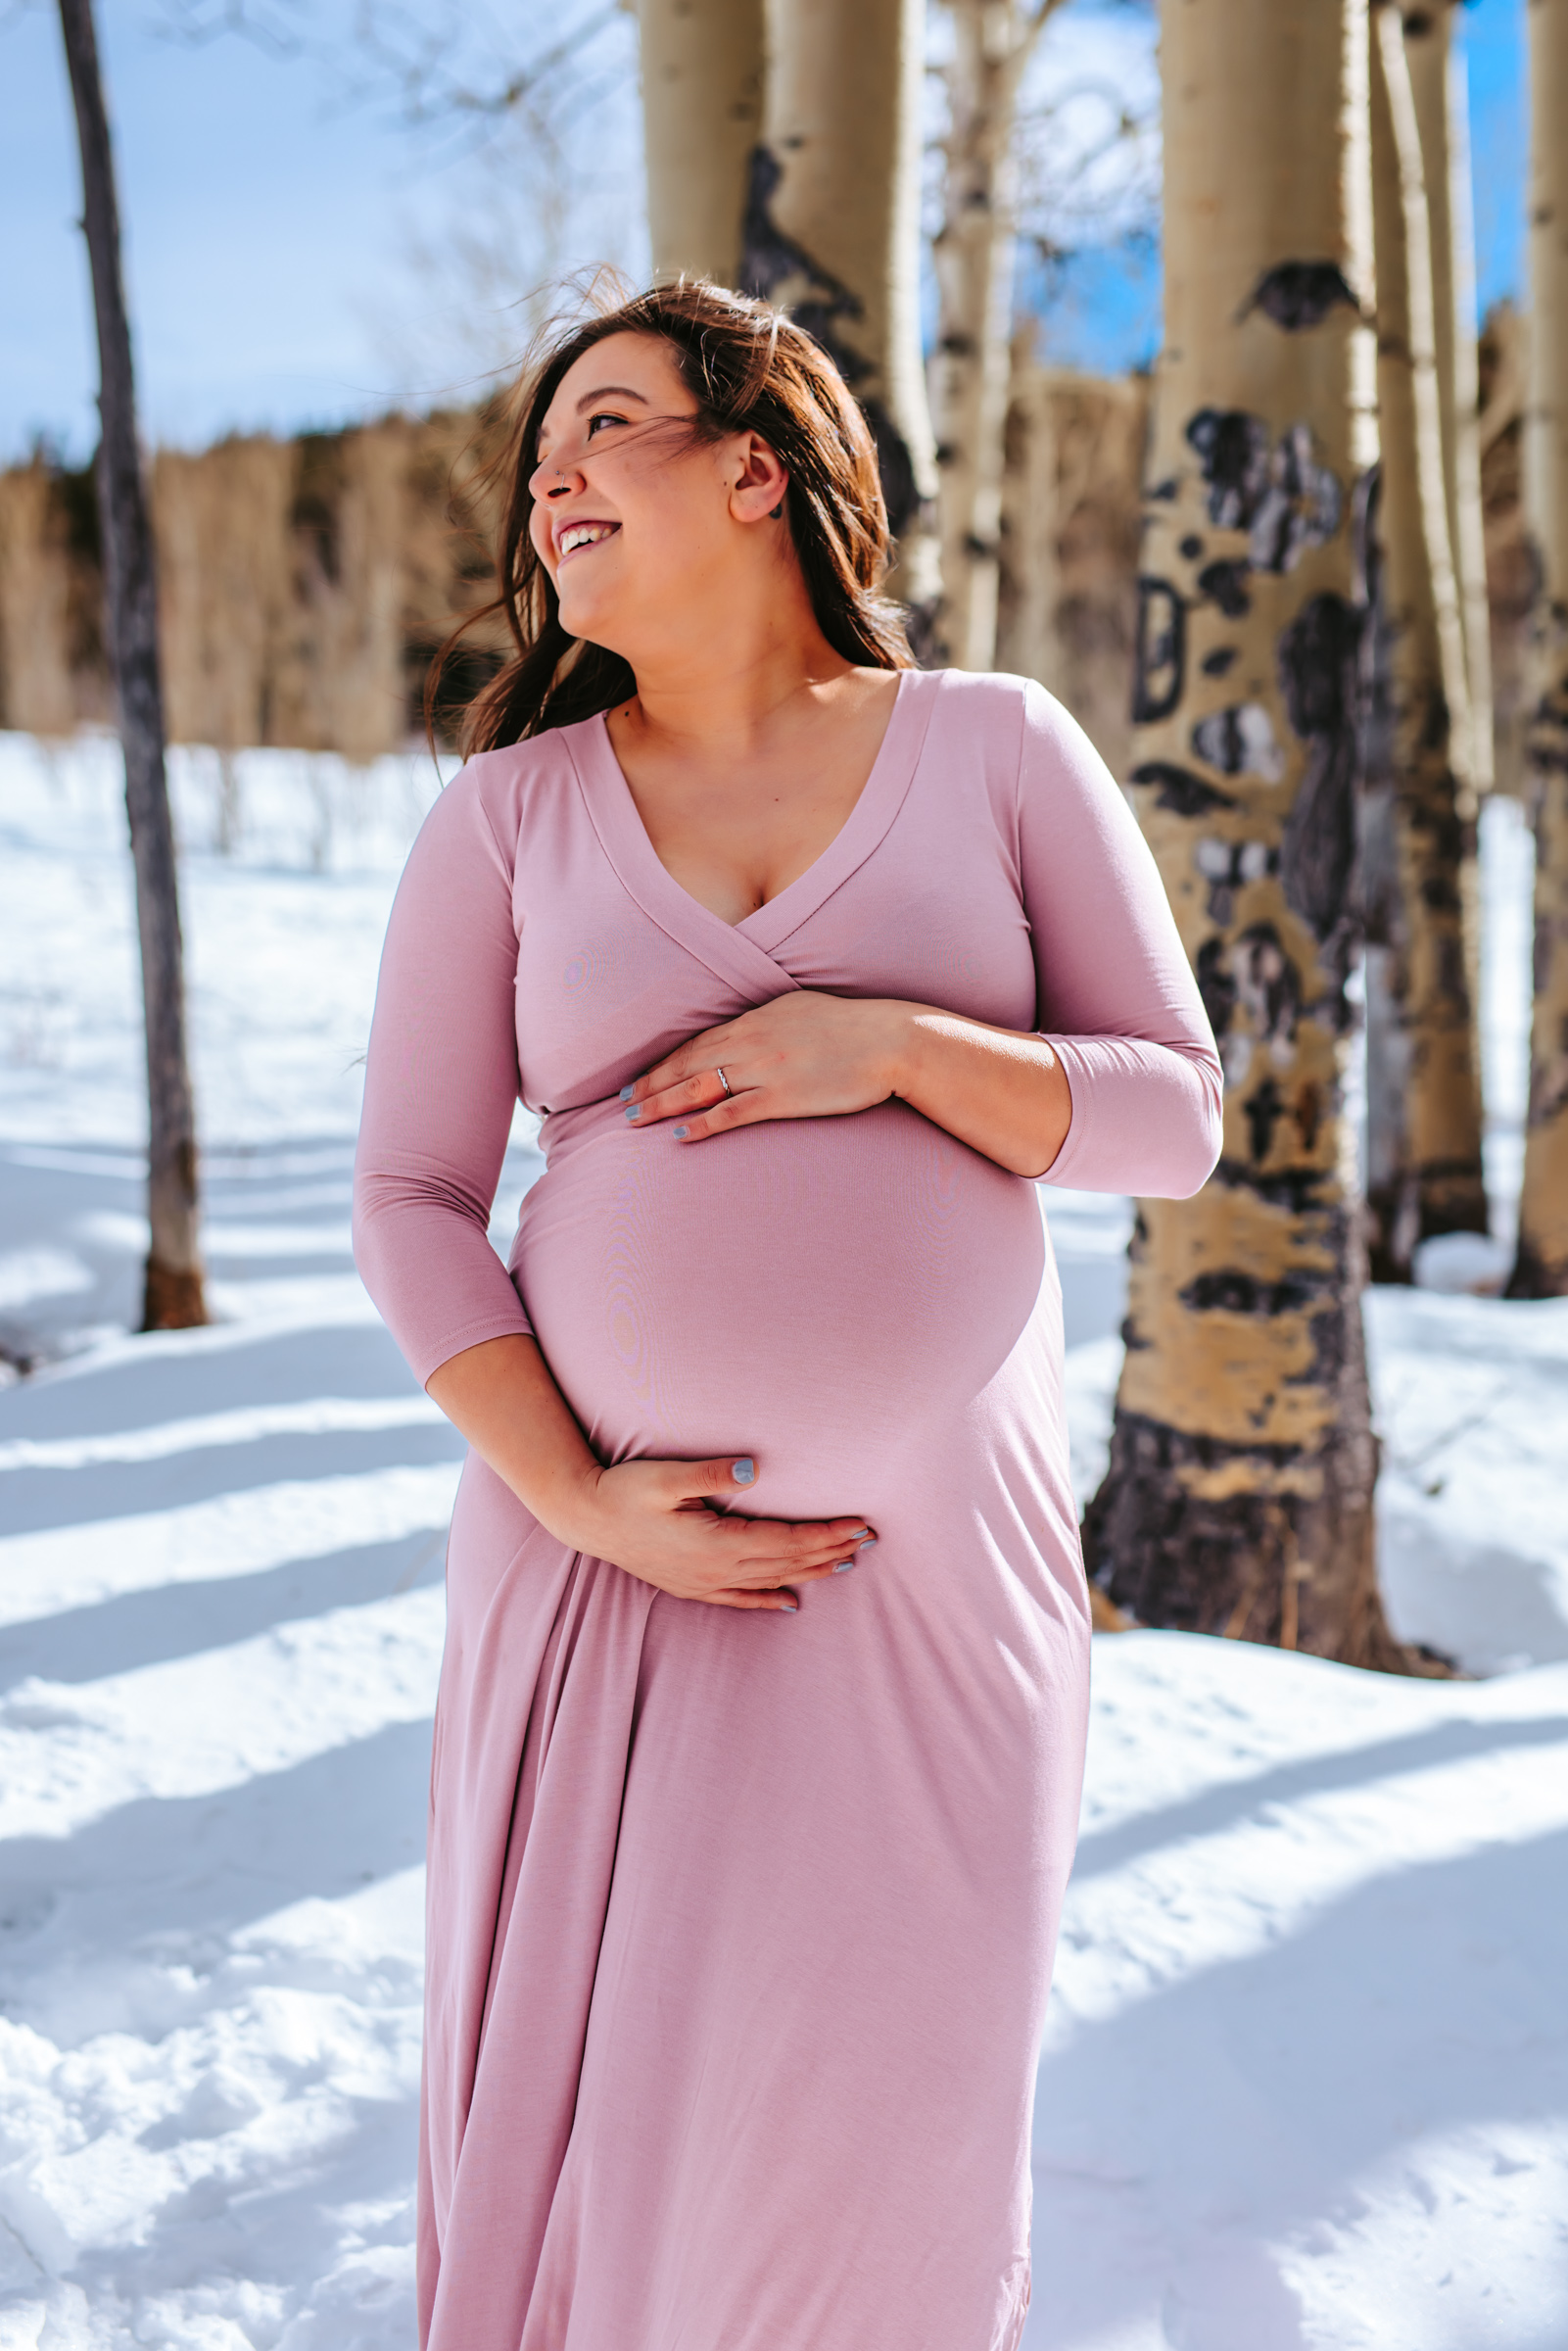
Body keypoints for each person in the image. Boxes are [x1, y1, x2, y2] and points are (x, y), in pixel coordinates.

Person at [353, 278, 1221, 2351]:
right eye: (541, 454)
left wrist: (898, 1046)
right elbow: (408, 1200)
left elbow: (1173, 1117)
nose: (555, 474)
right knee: (613, 2131)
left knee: (891, 2121)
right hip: (604, 1576)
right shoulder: (509, 818)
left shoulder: (996, 749)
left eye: (613, 425)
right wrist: (576, 1500)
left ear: (758, 470)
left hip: (935, 1595)